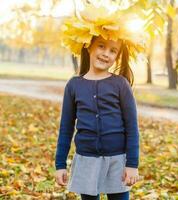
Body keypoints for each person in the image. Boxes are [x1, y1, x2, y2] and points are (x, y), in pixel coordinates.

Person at [54, 5, 145, 200]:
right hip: (86, 159)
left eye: (113, 51)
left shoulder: (120, 84)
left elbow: (132, 127)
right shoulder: (74, 85)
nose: (106, 53)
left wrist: (132, 164)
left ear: (117, 56)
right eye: (101, 46)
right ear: (89, 45)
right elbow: (66, 128)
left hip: (117, 161)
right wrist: (60, 164)